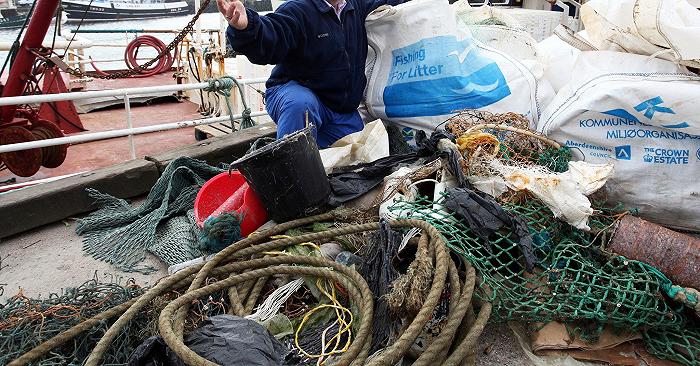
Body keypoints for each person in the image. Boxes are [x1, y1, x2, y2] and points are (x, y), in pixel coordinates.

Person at [216, 0, 406, 148]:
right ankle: (291, 179)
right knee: (301, 105)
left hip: (340, 110)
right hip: (294, 94)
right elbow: (271, 37)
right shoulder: (297, 10)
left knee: (363, 157)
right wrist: (246, 26)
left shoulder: (356, 6)